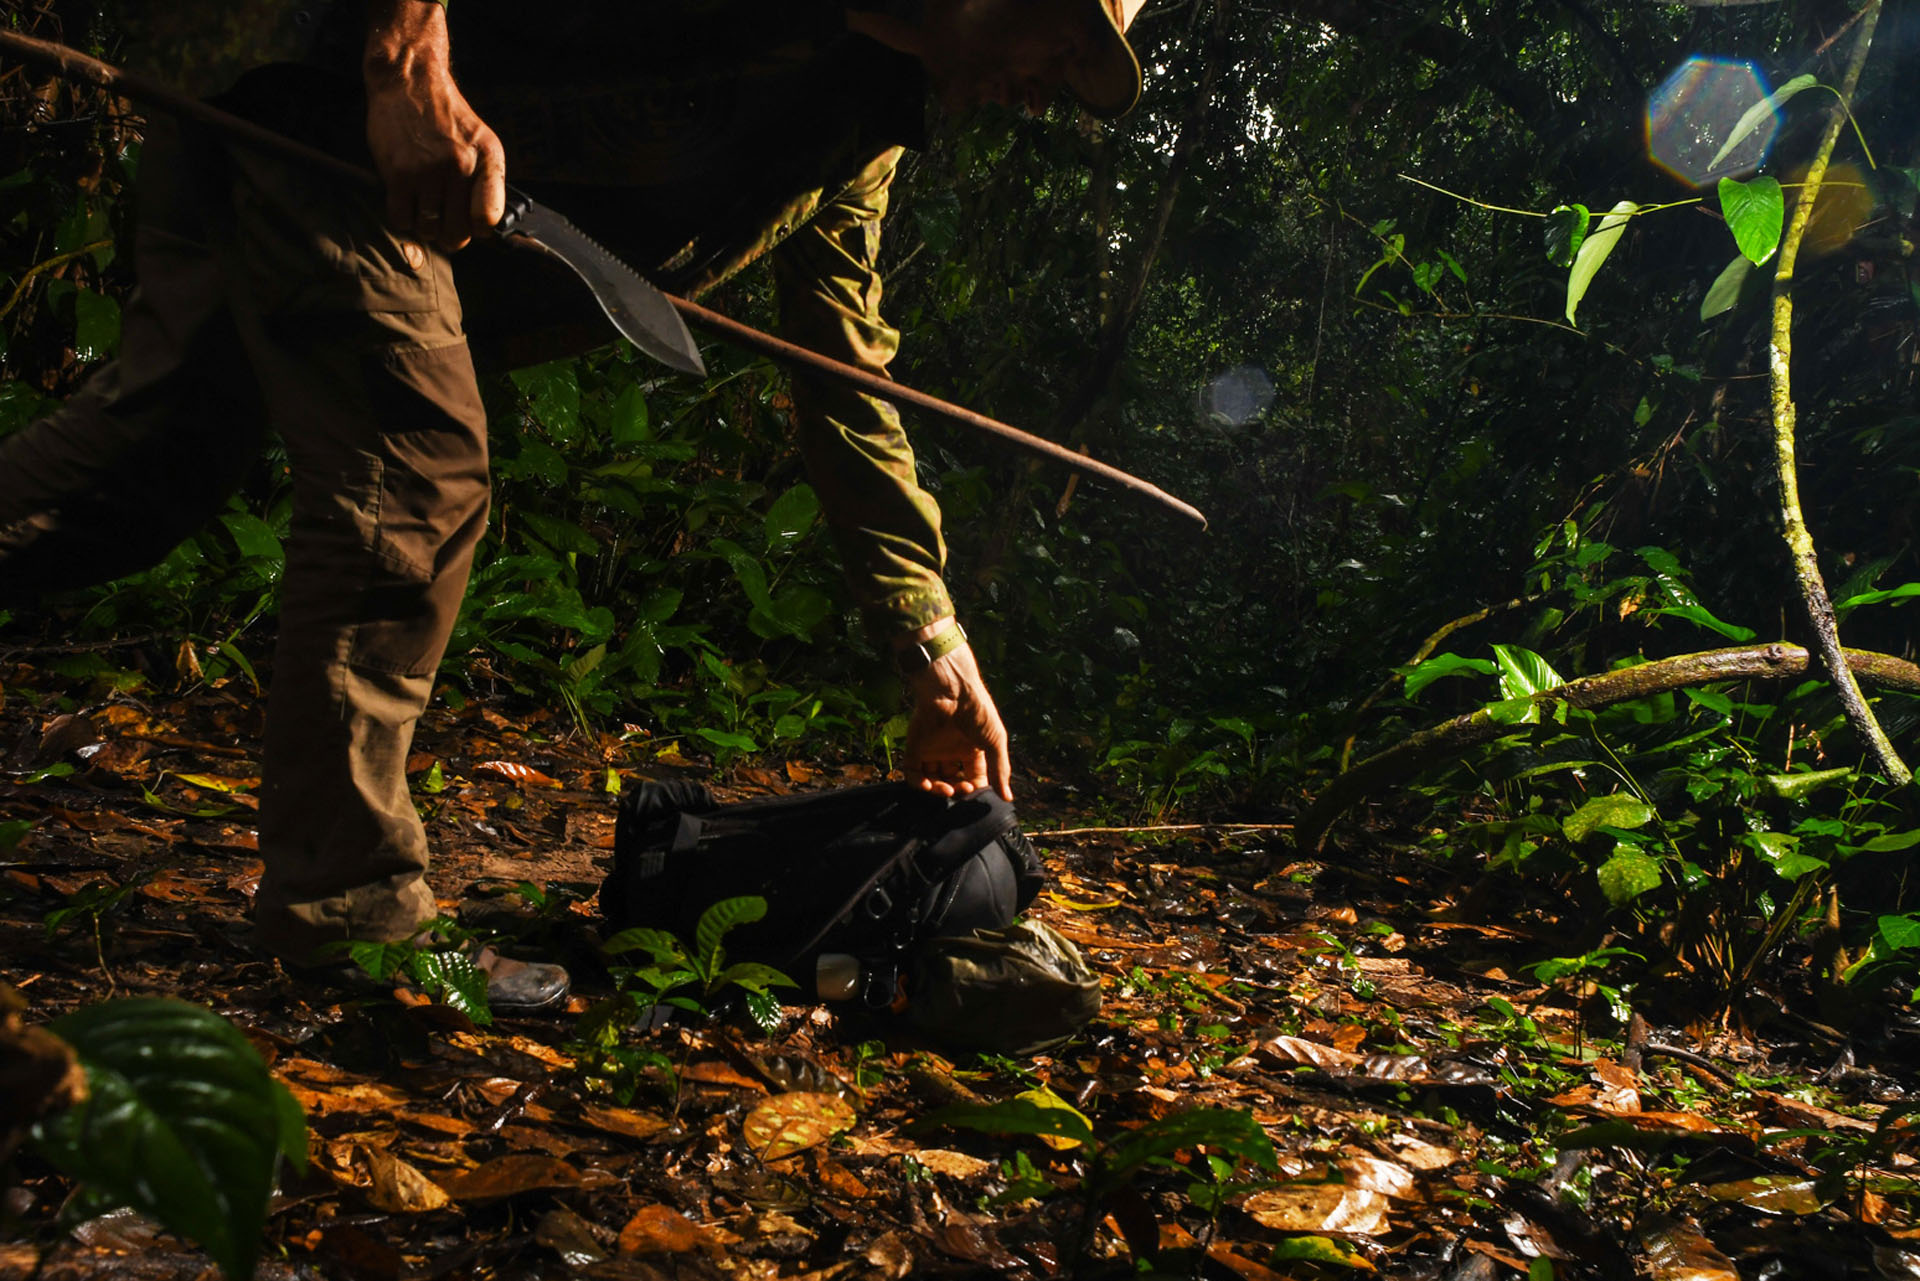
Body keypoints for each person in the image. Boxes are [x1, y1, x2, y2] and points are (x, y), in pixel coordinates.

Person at [0, 0, 1146, 1008]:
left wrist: (930, 639)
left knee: (137, 472)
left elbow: (847, 373)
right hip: (317, 79)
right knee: (417, 471)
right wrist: (405, 58)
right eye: (1067, 41)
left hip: (343, 133)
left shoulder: (860, 126)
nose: (1049, 88)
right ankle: (353, 919)